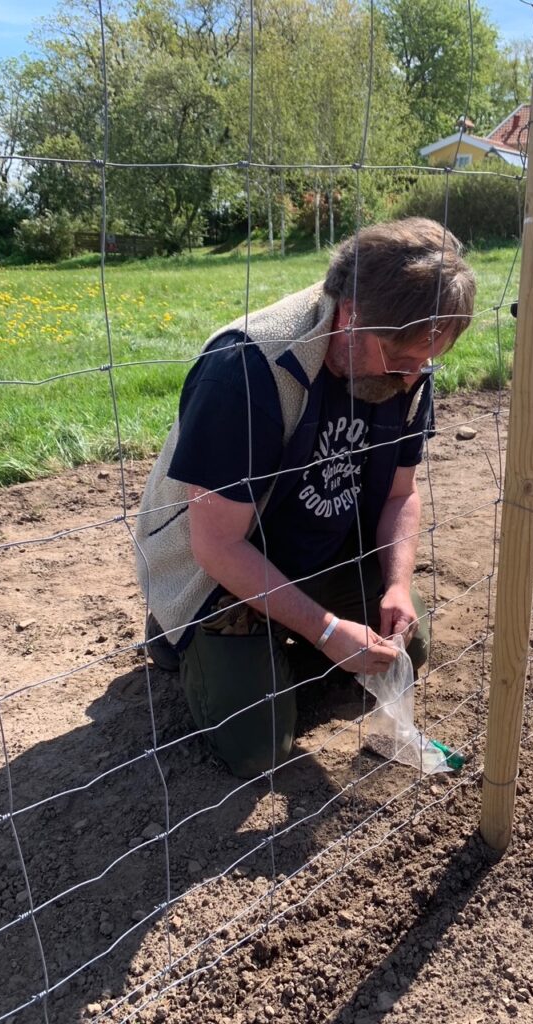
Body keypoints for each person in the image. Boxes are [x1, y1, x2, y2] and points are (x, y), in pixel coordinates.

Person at [135, 217, 476, 777]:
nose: (415, 379)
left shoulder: (408, 363)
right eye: (402, 361)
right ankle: (178, 632)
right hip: (223, 568)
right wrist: (324, 630)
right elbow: (217, 545)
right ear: (350, 317)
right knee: (257, 746)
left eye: (428, 362)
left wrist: (397, 585)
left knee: (407, 651)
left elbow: (400, 496)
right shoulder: (248, 368)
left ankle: (280, 640)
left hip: (324, 544)